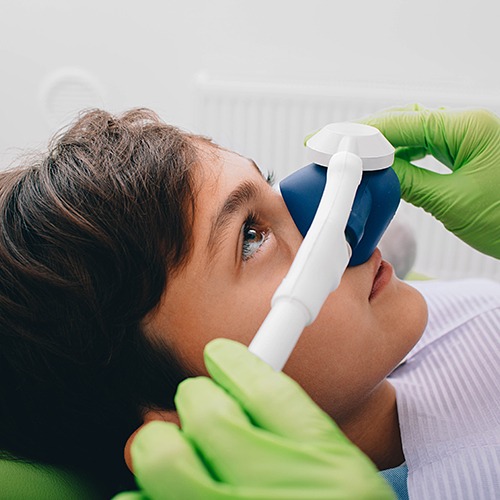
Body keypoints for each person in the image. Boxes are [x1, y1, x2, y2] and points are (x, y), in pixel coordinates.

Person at [0, 106, 498, 499]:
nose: (331, 208)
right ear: (186, 418)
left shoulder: (441, 324)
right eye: (251, 237)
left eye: (273, 184)